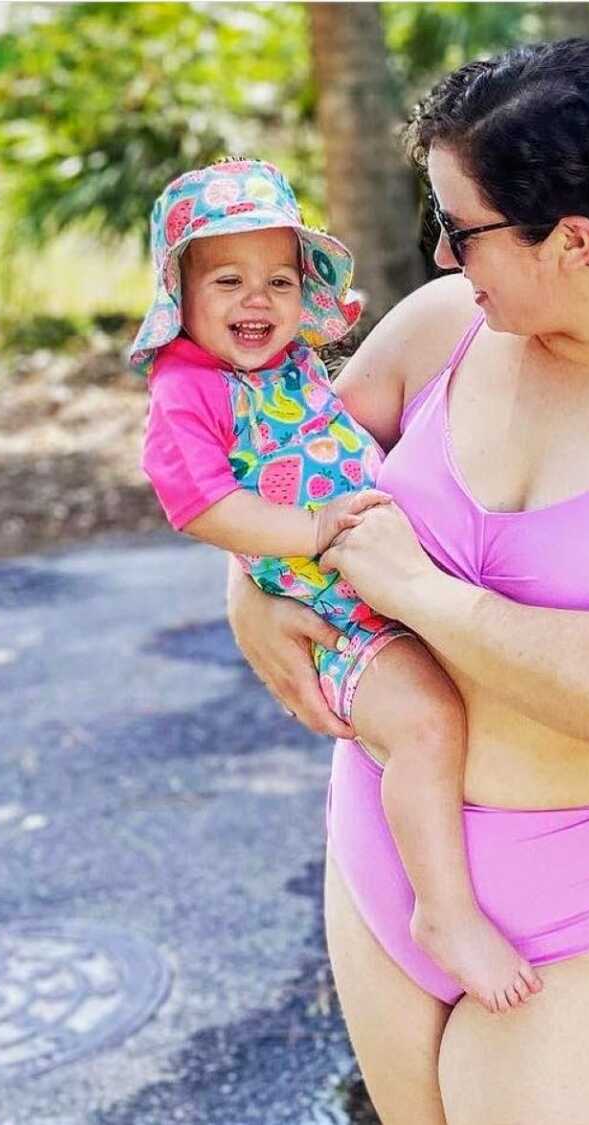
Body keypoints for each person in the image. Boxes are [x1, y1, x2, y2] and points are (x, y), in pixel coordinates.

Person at [227, 40, 589, 1125]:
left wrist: (417, 591)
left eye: (461, 230)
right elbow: (280, 472)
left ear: (576, 240)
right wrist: (247, 586)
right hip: (387, 844)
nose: (444, 257)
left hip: (585, 905)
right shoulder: (442, 330)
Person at [132, 158, 544, 1014]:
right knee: (428, 722)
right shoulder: (186, 388)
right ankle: (445, 910)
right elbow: (201, 502)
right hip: (342, 620)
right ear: (181, 292)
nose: (258, 301)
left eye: (279, 280)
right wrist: (311, 534)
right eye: (229, 281)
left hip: (384, 585)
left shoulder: (285, 365)